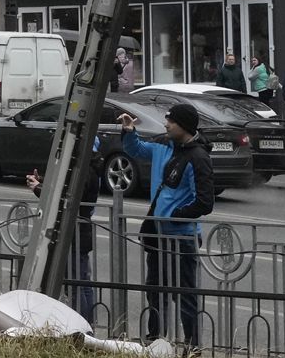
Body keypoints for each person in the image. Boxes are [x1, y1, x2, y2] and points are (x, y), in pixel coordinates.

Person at [121, 103, 215, 348]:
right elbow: (138, 149)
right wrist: (129, 131)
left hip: (182, 237)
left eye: (170, 121)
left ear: (183, 126)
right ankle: (156, 341)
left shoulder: (198, 157)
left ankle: (191, 345)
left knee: (185, 295)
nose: (165, 124)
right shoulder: (164, 143)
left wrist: (174, 216)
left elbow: (204, 202)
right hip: (158, 234)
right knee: (155, 290)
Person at [26, 140, 107, 321]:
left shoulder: (84, 171)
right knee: (82, 283)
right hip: (81, 229)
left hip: (75, 231)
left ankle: (83, 328)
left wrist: (39, 189)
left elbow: (67, 200)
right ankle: (88, 325)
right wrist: (42, 184)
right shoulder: (91, 167)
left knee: (76, 285)